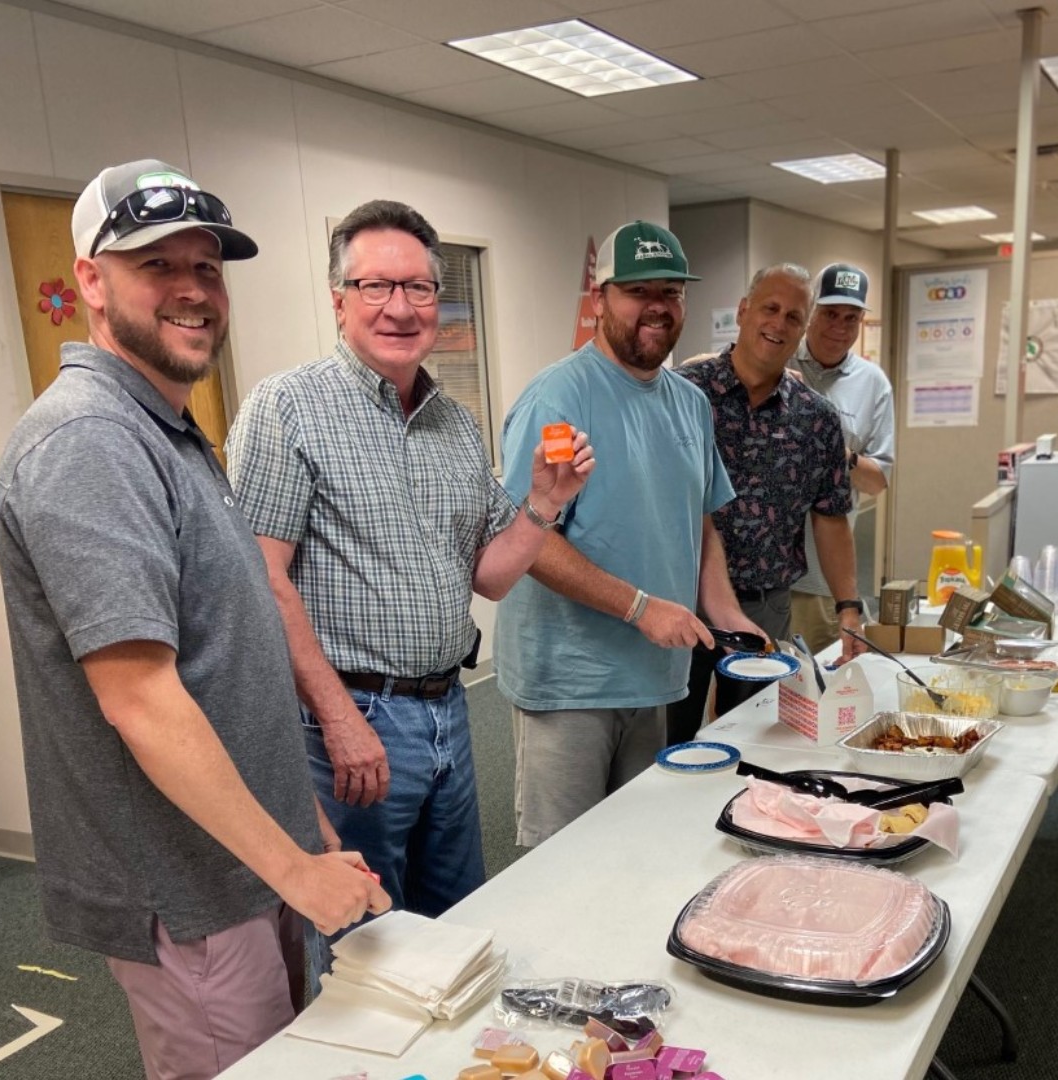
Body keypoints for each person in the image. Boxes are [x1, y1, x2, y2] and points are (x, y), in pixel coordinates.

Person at [0, 159, 390, 1080]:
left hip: (242, 860)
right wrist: (294, 869)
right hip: (189, 888)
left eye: (206, 267)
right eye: (156, 265)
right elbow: (141, 698)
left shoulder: (166, 428)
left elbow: (222, 658)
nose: (193, 290)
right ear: (91, 281)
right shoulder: (90, 441)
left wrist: (295, 825)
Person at [225, 200, 593, 971]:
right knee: (363, 946)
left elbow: (490, 576)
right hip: (350, 720)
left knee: (454, 929)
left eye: (419, 288)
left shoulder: (454, 423)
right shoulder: (288, 409)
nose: (400, 307)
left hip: (447, 713)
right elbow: (262, 580)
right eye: (376, 286)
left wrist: (544, 503)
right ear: (339, 301)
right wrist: (339, 719)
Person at [493, 221, 759, 847]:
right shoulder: (560, 397)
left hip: (655, 675)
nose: (657, 307)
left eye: (671, 292)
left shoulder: (690, 404)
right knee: (564, 860)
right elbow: (529, 540)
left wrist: (727, 616)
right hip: (570, 682)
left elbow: (698, 521)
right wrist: (640, 608)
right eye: (638, 291)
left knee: (636, 849)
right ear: (599, 300)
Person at [667, 263, 867, 739]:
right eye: (769, 309)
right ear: (743, 311)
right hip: (680, 602)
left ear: (803, 329)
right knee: (670, 740)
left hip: (763, 607)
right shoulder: (682, 393)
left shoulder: (816, 418)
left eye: (793, 317)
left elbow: (830, 517)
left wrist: (849, 606)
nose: (779, 324)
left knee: (754, 739)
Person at [789, 263, 894, 651]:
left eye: (851, 318)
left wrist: (836, 451)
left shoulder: (873, 384)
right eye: (830, 313)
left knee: (815, 682)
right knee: (752, 683)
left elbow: (877, 481)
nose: (840, 327)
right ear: (811, 310)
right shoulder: (779, 360)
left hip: (821, 578)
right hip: (755, 574)